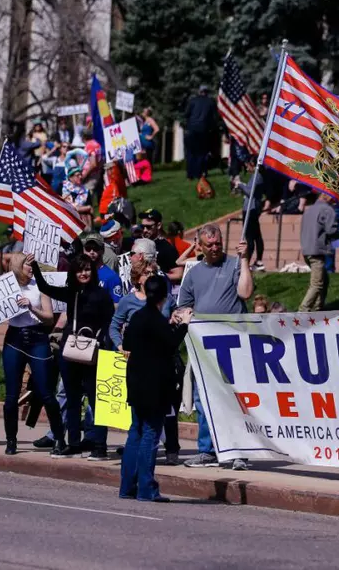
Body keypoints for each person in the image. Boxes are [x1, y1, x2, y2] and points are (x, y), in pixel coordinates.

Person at [178, 224, 253, 469]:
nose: (214, 248)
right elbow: (183, 306)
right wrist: (184, 314)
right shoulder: (194, 273)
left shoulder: (233, 264)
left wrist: (244, 260)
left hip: (233, 344)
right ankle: (207, 450)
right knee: (203, 399)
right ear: (199, 245)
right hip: (203, 346)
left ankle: (238, 451)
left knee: (234, 397)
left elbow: (245, 292)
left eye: (218, 243)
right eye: (209, 244)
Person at [32, 254, 115, 459]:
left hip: (94, 351)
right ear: (73, 273)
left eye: (87, 269)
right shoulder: (72, 293)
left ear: (92, 271)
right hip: (70, 350)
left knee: (97, 401)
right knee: (72, 399)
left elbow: (108, 321)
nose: (84, 273)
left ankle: (99, 445)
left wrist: (102, 340)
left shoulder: (102, 294)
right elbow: (45, 288)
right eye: (79, 270)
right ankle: (74, 443)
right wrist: (34, 266)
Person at [119, 275, 191, 502]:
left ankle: (127, 486)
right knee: (150, 434)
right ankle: (146, 488)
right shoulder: (157, 320)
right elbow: (171, 345)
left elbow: (129, 343)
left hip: (136, 381)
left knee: (136, 432)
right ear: (163, 296)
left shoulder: (138, 317)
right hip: (155, 385)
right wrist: (184, 325)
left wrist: (167, 327)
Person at [2, 253, 65, 456]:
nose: (31, 268)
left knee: (46, 392)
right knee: (11, 396)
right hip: (14, 338)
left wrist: (32, 307)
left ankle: (59, 438)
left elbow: (48, 318)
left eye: (32, 265)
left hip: (37, 337)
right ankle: (11, 440)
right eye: (28, 265)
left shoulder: (39, 286)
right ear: (18, 267)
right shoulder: (6, 287)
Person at [299, 195, 339, 312]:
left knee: (324, 280)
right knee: (317, 284)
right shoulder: (327, 210)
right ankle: (302, 311)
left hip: (306, 250)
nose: (335, 200)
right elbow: (331, 230)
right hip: (316, 252)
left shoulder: (309, 210)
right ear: (326, 196)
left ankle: (318, 308)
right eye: (334, 197)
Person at [183, 85, 219, 180]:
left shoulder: (193, 101)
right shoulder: (211, 102)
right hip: (204, 130)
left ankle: (190, 175)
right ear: (207, 92)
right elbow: (215, 118)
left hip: (191, 130)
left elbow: (186, 114)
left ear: (199, 92)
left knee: (191, 152)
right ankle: (200, 173)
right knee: (202, 153)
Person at [138, 209, 184, 281]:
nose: (144, 230)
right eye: (142, 226)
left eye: (149, 227)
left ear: (158, 225)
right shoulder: (136, 243)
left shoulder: (166, 248)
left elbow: (179, 274)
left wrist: (157, 276)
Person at [82, 233, 123, 304]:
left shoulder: (111, 277)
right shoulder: (79, 274)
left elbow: (117, 305)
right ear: (83, 250)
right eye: (88, 248)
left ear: (102, 250)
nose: (91, 252)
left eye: (95, 248)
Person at [239, 170, 266, 272]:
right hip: (252, 208)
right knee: (256, 236)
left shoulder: (256, 175)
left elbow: (250, 192)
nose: (246, 167)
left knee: (250, 238)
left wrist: (240, 185)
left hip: (251, 209)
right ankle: (258, 261)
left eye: (247, 164)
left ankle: (247, 263)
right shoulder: (257, 175)